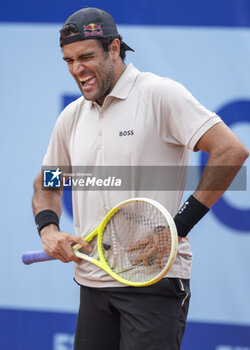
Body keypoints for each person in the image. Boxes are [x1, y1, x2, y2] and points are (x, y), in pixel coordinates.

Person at [32, 7, 249, 350]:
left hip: (154, 282)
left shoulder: (160, 95)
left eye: (86, 56)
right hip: (93, 286)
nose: (77, 70)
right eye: (69, 61)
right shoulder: (71, 117)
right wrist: (49, 229)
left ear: (114, 48)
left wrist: (177, 228)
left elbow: (231, 151)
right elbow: (50, 183)